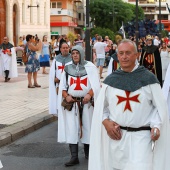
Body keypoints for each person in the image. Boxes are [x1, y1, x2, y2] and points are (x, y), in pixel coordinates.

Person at [89, 39, 170, 170]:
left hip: (142, 139)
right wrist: (106, 122)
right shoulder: (111, 80)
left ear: (136, 55)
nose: (124, 56)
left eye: (128, 53)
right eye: (121, 53)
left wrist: (156, 126)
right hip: (117, 139)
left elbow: (159, 108)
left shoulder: (149, 79)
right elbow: (101, 108)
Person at [58, 45, 100, 167]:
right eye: (73, 53)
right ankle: (74, 157)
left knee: (88, 127)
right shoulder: (67, 68)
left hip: (87, 104)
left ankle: (89, 153)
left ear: (81, 54)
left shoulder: (90, 67)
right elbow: (63, 87)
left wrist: (89, 94)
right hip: (73, 104)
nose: (75, 55)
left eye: (77, 53)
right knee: (72, 128)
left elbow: (96, 85)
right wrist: (66, 96)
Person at [49, 43, 72, 115]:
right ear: (60, 49)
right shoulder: (56, 59)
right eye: (63, 48)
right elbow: (53, 72)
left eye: (66, 48)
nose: (65, 49)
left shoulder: (72, 58)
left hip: (69, 85)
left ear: (69, 49)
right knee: (59, 101)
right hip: (59, 85)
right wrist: (54, 79)